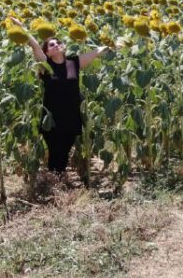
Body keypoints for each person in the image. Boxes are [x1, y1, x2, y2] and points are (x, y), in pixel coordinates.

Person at [9, 17, 110, 174]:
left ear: (64, 46)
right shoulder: (46, 65)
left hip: (71, 115)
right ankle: (53, 181)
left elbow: (95, 52)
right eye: (51, 45)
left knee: (65, 150)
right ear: (47, 52)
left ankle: (58, 180)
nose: (55, 45)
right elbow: (34, 46)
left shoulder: (73, 63)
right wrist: (22, 28)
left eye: (58, 43)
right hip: (52, 117)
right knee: (55, 149)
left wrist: (110, 45)